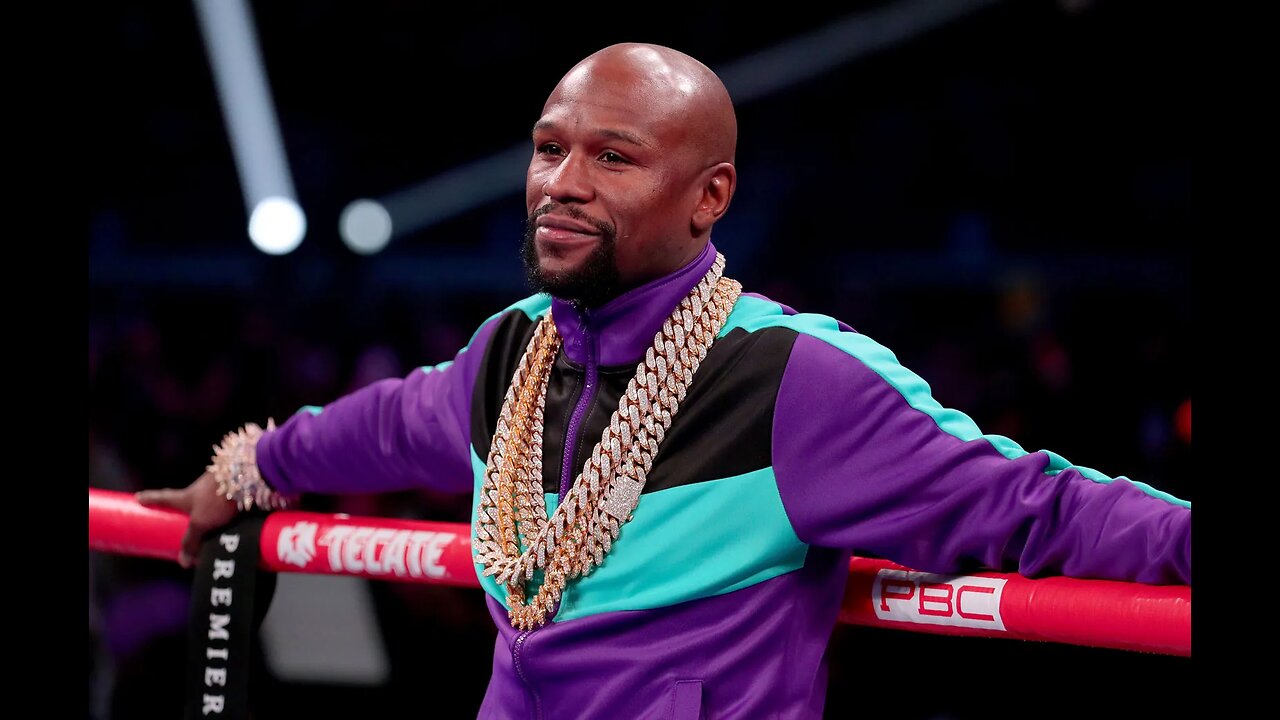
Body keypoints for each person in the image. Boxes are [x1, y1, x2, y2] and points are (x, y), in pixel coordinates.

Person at [138, 41, 1191, 719]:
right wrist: (242, 473)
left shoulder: (793, 378)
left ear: (709, 196)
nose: (559, 183)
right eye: (549, 149)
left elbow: (1035, 504)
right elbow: (364, 430)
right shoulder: (510, 347)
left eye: (613, 158)